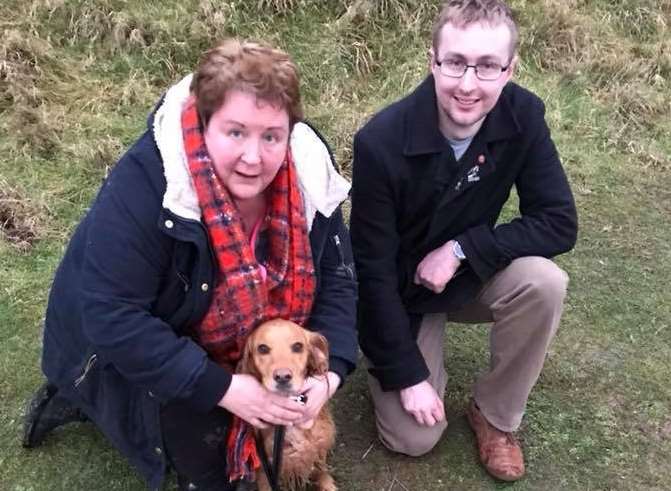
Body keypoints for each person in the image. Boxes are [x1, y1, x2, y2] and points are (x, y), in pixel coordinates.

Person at [22, 39, 358, 491]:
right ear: (204, 122)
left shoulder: (311, 175)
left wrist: (330, 374)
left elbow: (338, 280)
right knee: (218, 475)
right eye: (235, 132)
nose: (254, 157)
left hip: (257, 344)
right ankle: (83, 395)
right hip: (161, 340)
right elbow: (110, 315)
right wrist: (228, 389)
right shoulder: (146, 184)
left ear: (290, 132)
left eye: (271, 136)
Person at [350, 0, 577, 482]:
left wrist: (460, 251)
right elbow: (370, 271)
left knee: (544, 282)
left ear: (509, 69)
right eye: (454, 62)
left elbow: (559, 221)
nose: (468, 84)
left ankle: (495, 417)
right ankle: (410, 359)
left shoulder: (524, 115)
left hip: (468, 272)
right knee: (412, 440)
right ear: (432, 61)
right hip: (400, 293)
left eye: (488, 65)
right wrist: (410, 377)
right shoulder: (379, 141)